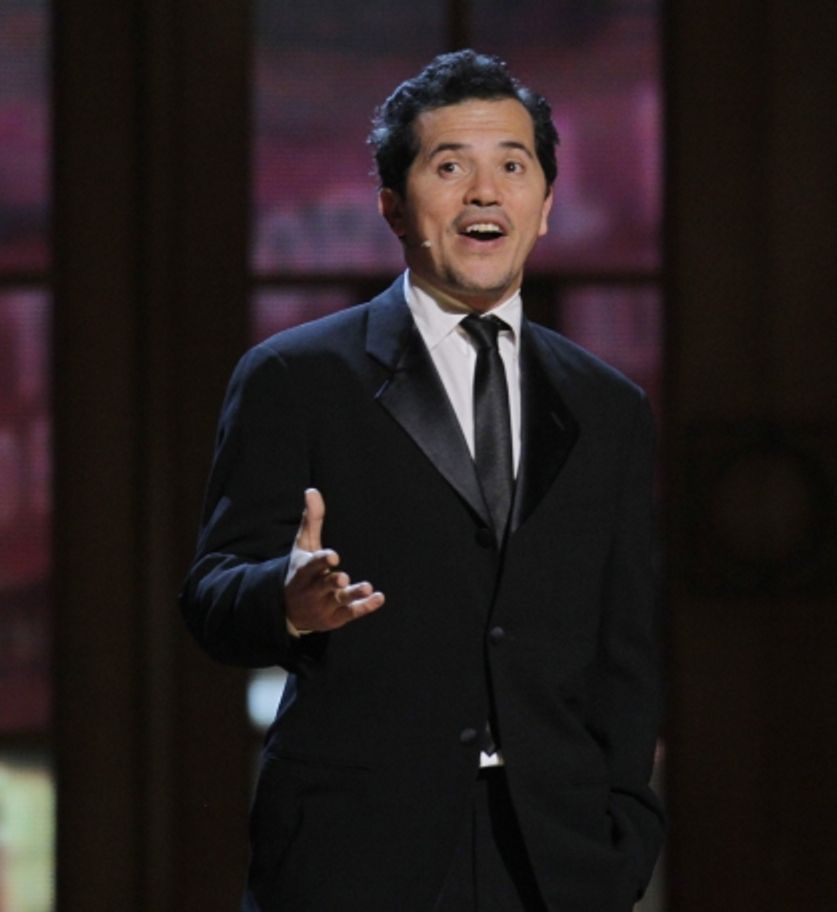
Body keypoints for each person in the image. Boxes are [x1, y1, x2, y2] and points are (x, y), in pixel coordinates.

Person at [180, 49, 664, 912]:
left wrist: (622, 835)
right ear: (393, 207)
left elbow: (626, 652)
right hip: (355, 855)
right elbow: (212, 596)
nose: (485, 193)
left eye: (512, 166)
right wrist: (288, 601)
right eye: (450, 168)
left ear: (546, 205)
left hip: (554, 859)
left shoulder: (608, 407)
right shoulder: (296, 377)